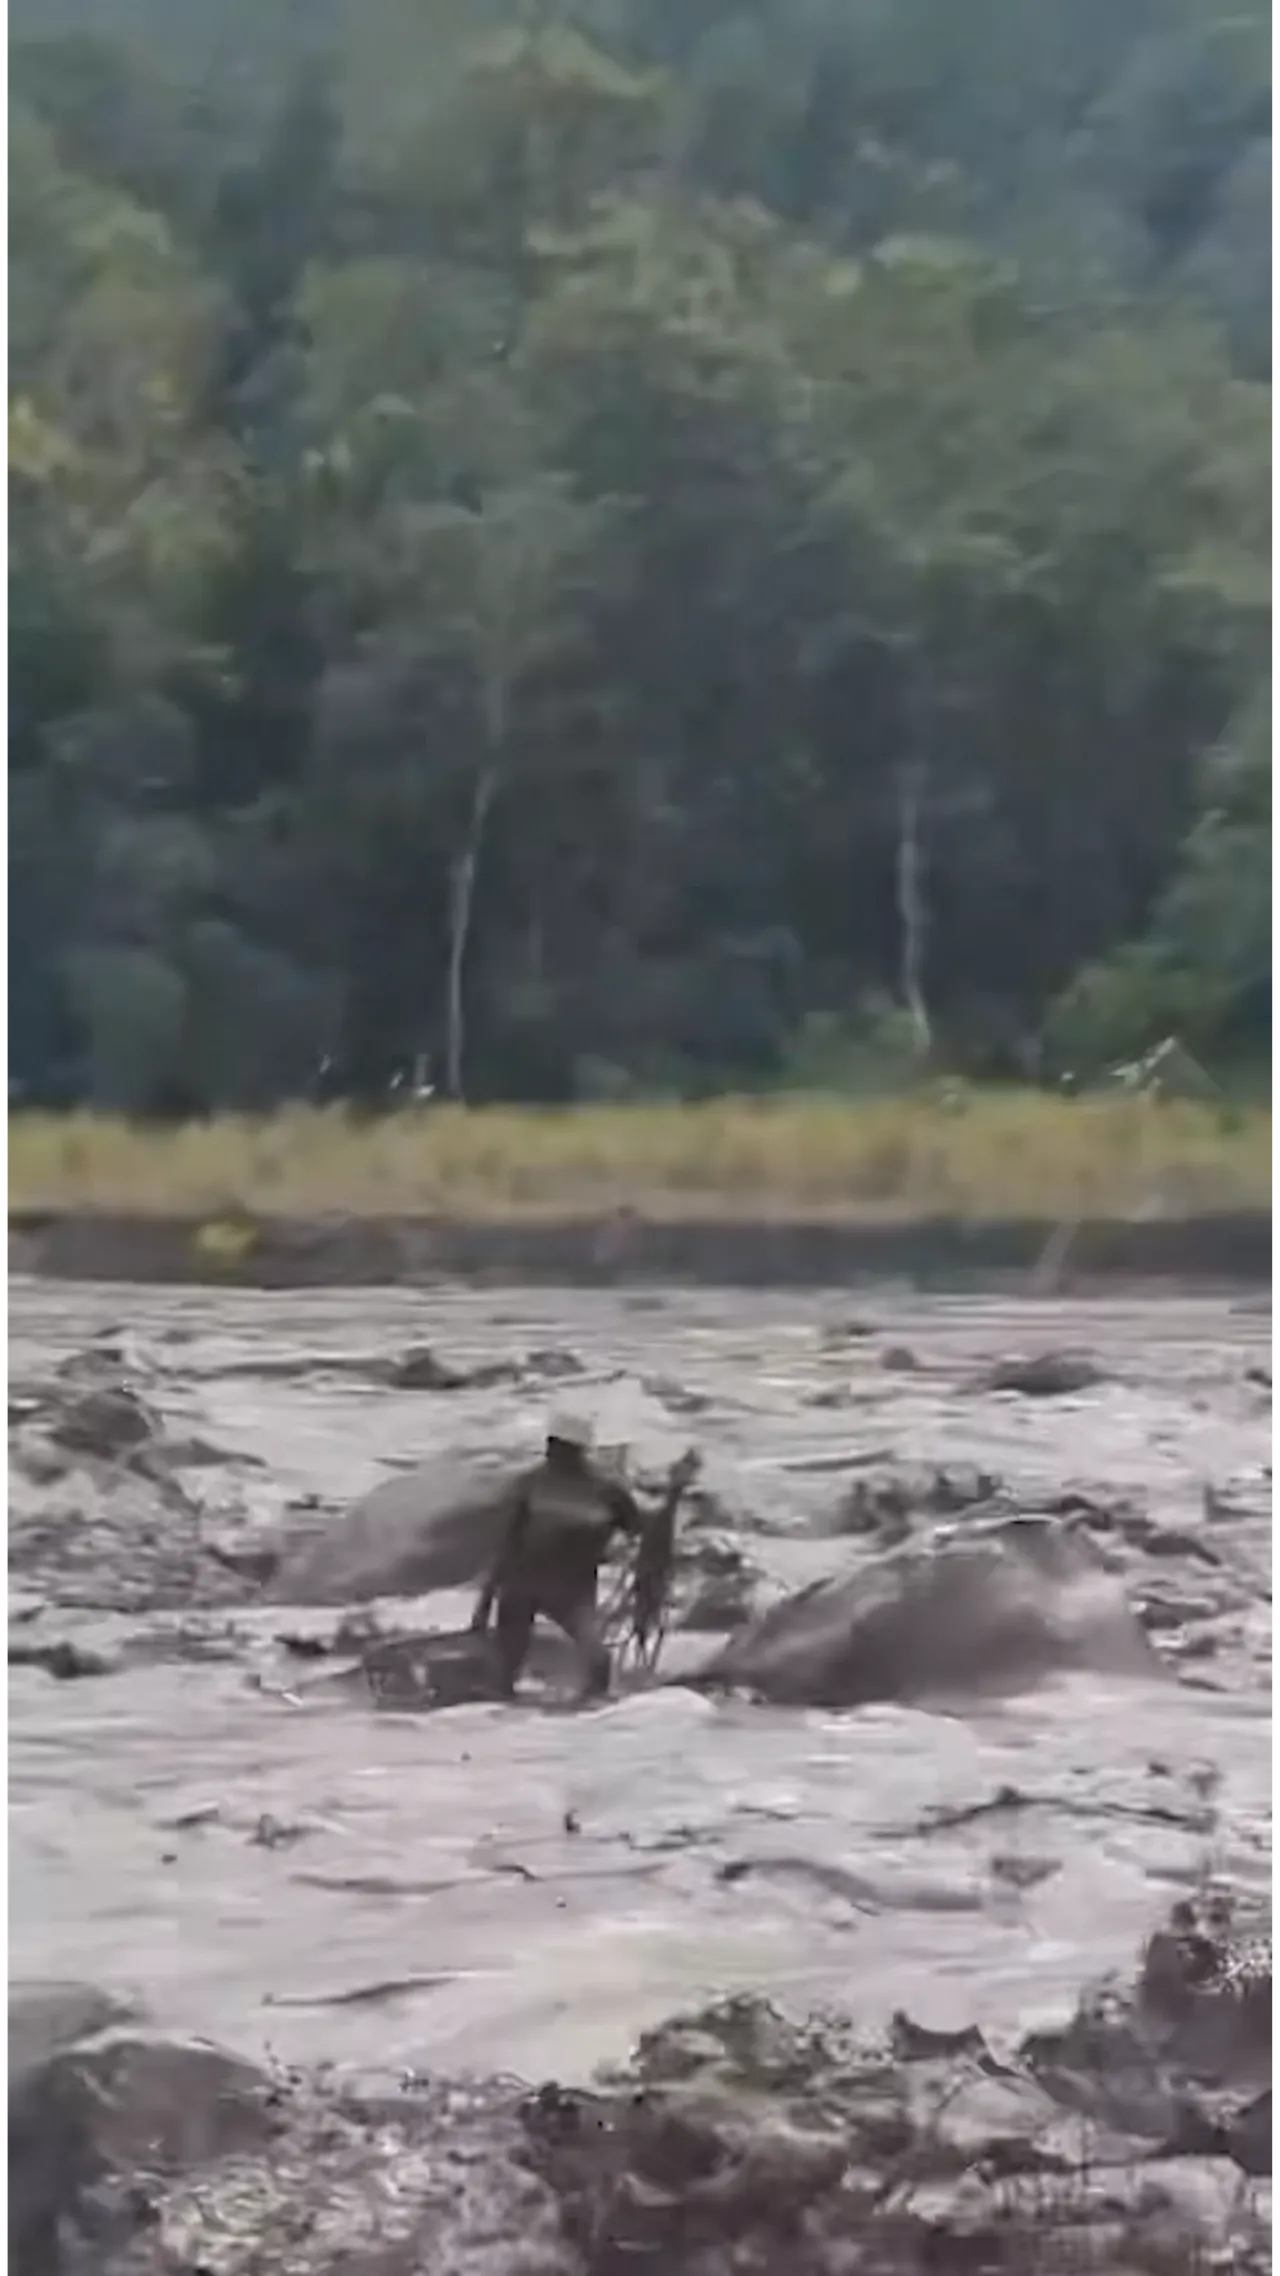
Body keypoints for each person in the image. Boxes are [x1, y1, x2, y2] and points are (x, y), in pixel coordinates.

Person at [470, 1412, 696, 1703]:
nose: (554, 1452)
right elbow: (507, 1543)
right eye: (553, 1446)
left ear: (576, 1450)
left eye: (560, 1447)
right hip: (520, 1586)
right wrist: (485, 1601)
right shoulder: (530, 1483)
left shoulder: (607, 1491)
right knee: (506, 1667)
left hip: (571, 1592)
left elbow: (645, 1532)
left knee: (598, 1662)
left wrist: (674, 1492)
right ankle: (507, 1716)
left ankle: (586, 1724)